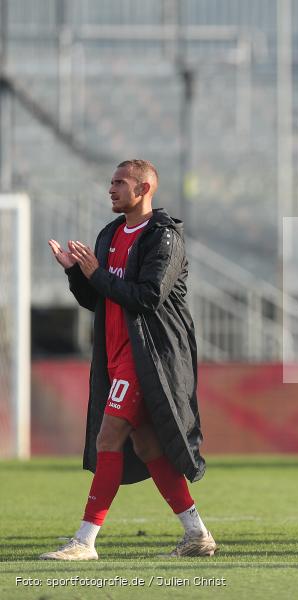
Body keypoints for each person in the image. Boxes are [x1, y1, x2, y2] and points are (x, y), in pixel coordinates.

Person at [42, 160, 215, 560]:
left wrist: (97, 274)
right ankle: (197, 534)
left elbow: (148, 296)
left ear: (144, 188)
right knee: (147, 442)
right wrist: (77, 274)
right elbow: (98, 299)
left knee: (109, 437)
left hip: (151, 353)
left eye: (120, 183)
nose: (111, 189)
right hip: (116, 353)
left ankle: (85, 541)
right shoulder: (110, 234)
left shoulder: (163, 237)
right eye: (112, 182)